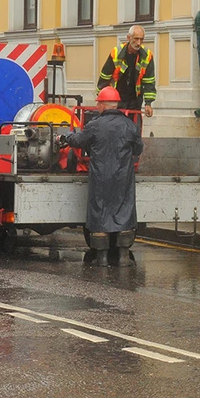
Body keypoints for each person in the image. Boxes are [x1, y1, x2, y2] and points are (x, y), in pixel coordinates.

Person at [59, 87, 143, 267]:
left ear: (103, 105)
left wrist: (66, 137)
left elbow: (78, 141)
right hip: (123, 178)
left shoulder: (95, 125)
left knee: (100, 211)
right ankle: (123, 257)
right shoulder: (129, 125)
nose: (97, 107)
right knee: (124, 210)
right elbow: (138, 149)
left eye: (98, 103)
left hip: (101, 177)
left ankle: (102, 257)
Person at [97, 25, 156, 118]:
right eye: (136, 39)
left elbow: (149, 81)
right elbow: (105, 77)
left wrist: (148, 103)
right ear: (128, 38)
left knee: (133, 129)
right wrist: (101, 99)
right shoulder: (116, 53)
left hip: (135, 100)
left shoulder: (147, 55)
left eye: (141, 39)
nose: (138, 43)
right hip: (116, 99)